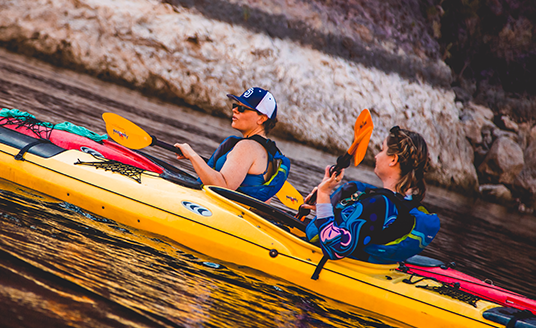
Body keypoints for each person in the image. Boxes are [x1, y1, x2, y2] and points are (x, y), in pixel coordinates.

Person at [304, 125, 440, 264]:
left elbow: (334, 248)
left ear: (393, 159)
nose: (376, 156)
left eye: (382, 150)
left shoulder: (380, 204)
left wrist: (323, 192)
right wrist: (322, 204)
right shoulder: (404, 205)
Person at [174, 87, 290, 201]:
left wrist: (192, 155)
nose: (235, 110)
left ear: (262, 119)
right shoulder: (268, 153)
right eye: (235, 106)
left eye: (242, 108)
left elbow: (222, 188)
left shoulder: (247, 147)